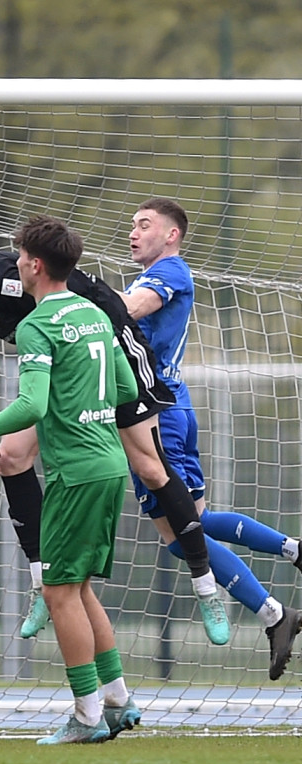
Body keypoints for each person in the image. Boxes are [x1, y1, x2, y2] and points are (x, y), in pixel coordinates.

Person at [0, 241, 232, 645]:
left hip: (113, 350)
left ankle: (206, 589)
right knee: (10, 456)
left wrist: (105, 342)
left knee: (150, 468)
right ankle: (41, 582)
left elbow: (72, 292)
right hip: (65, 374)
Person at [0, 215, 138, 744]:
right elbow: (125, 384)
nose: (15, 263)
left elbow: (33, 403)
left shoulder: (36, 324)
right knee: (79, 587)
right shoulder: (93, 313)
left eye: (19, 256)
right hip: (110, 463)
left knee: (59, 590)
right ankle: (118, 700)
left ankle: (87, 717)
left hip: (75, 474)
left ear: (35, 265)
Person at [120, 197, 302, 680]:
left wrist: (73, 303)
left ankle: (273, 614)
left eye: (144, 225)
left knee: (180, 537)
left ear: (172, 235)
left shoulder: (172, 272)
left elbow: (129, 311)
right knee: (195, 519)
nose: (133, 232)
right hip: (165, 408)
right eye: (132, 225)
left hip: (158, 414)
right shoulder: (145, 275)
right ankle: (292, 553)